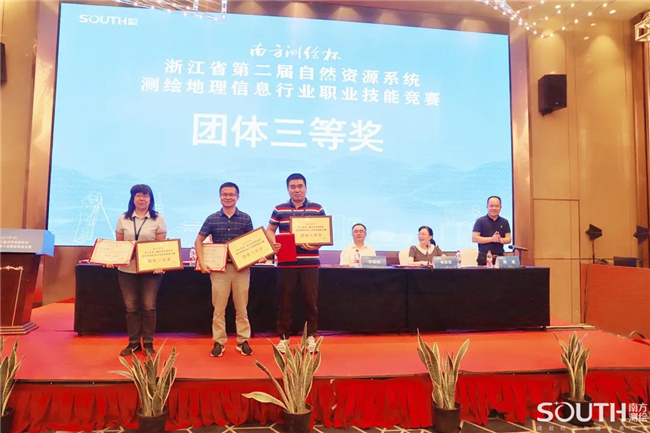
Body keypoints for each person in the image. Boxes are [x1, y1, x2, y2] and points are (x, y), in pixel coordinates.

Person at [266, 173, 325, 354]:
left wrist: (317, 244)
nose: (297, 190)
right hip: (286, 262)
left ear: (306, 188)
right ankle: (284, 338)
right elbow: (270, 230)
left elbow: (324, 233)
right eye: (293, 187)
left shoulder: (317, 208)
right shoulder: (279, 209)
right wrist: (273, 242)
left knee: (310, 301)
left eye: (300, 186)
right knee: (285, 301)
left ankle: (311, 337)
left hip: (310, 263)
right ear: (288, 189)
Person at [194, 182, 254, 358]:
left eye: (231, 194)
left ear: (237, 197)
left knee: (242, 307)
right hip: (219, 270)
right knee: (218, 308)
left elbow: (253, 242)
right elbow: (198, 240)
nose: (228, 197)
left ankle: (243, 340)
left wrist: (259, 255)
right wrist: (202, 262)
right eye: (224, 194)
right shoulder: (212, 218)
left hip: (241, 269)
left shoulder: (245, 218)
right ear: (220, 196)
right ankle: (219, 342)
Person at [115, 184, 167, 357]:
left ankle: (149, 343)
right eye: (138, 195)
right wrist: (113, 259)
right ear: (133, 198)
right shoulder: (124, 218)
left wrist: (160, 264)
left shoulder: (157, 219)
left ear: (150, 199)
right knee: (131, 307)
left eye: (145, 196)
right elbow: (120, 245)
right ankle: (134, 343)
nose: (142, 199)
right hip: (126, 270)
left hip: (150, 270)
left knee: (148, 306)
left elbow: (161, 246)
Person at [472, 195, 512, 266]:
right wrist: (492, 239)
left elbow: (508, 239)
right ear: (487, 207)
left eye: (496, 206)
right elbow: (474, 238)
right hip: (484, 257)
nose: (494, 208)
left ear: (500, 207)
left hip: (500, 258)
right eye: (491, 206)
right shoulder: (480, 221)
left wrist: (500, 240)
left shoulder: (504, 222)